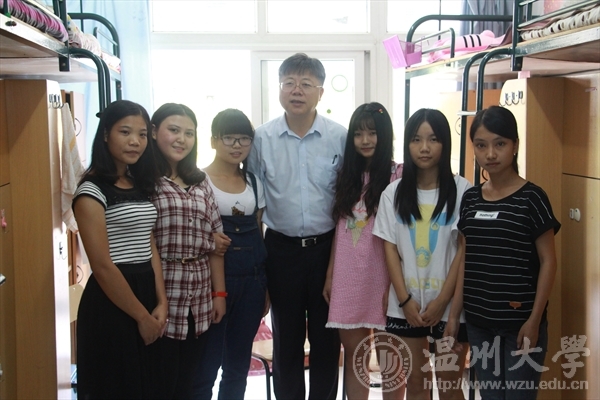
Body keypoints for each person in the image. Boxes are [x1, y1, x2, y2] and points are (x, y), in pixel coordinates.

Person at [247, 52, 346, 400]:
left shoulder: (339, 137)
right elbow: (255, 204)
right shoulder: (261, 139)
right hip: (281, 250)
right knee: (286, 340)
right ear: (279, 88)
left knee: (326, 340)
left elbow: (348, 202)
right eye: (289, 82)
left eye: (306, 83)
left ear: (321, 92)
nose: (296, 90)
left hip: (326, 250)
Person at [452, 106, 559, 400]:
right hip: (479, 323)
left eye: (499, 144)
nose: (490, 154)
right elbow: (464, 259)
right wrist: (454, 315)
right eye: (481, 145)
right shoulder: (471, 198)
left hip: (520, 325)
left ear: (514, 145)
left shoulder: (533, 198)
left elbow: (549, 261)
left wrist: (534, 320)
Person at [373, 108, 471, 400]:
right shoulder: (393, 193)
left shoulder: (463, 190)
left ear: (445, 144)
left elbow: (463, 252)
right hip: (406, 306)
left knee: (449, 387)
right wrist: (404, 301)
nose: (424, 147)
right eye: (416, 139)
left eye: (433, 139)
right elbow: (390, 248)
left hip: (450, 308)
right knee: (416, 384)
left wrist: (443, 302)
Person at [73, 100, 167, 399]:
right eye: (125, 132)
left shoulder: (138, 183)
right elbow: (102, 266)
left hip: (145, 291)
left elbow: (148, 244)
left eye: (142, 134)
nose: (135, 141)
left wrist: (161, 301)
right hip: (112, 299)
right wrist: (142, 318)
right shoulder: (91, 190)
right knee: (116, 385)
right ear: (105, 135)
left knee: (147, 385)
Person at [322, 102, 402, 399]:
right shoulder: (347, 176)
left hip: (384, 275)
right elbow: (339, 231)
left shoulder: (398, 175)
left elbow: (403, 236)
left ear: (385, 135)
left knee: (390, 359)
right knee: (356, 357)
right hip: (348, 276)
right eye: (358, 134)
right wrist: (331, 274)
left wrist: (397, 284)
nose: (365, 140)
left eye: (372, 133)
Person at [149, 103, 226, 399]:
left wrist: (219, 294)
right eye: (174, 130)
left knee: (191, 382)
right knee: (161, 382)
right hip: (161, 294)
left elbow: (217, 242)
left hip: (199, 297)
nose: (182, 139)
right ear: (154, 132)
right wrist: (208, 240)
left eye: (189, 133)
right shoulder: (145, 181)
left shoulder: (200, 180)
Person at [193, 108, 268, 399]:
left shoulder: (254, 182)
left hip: (252, 282)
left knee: (238, 366)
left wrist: (265, 287)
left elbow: (259, 230)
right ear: (213, 140)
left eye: (244, 139)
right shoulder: (198, 180)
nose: (237, 145)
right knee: (206, 365)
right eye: (229, 138)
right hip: (211, 284)